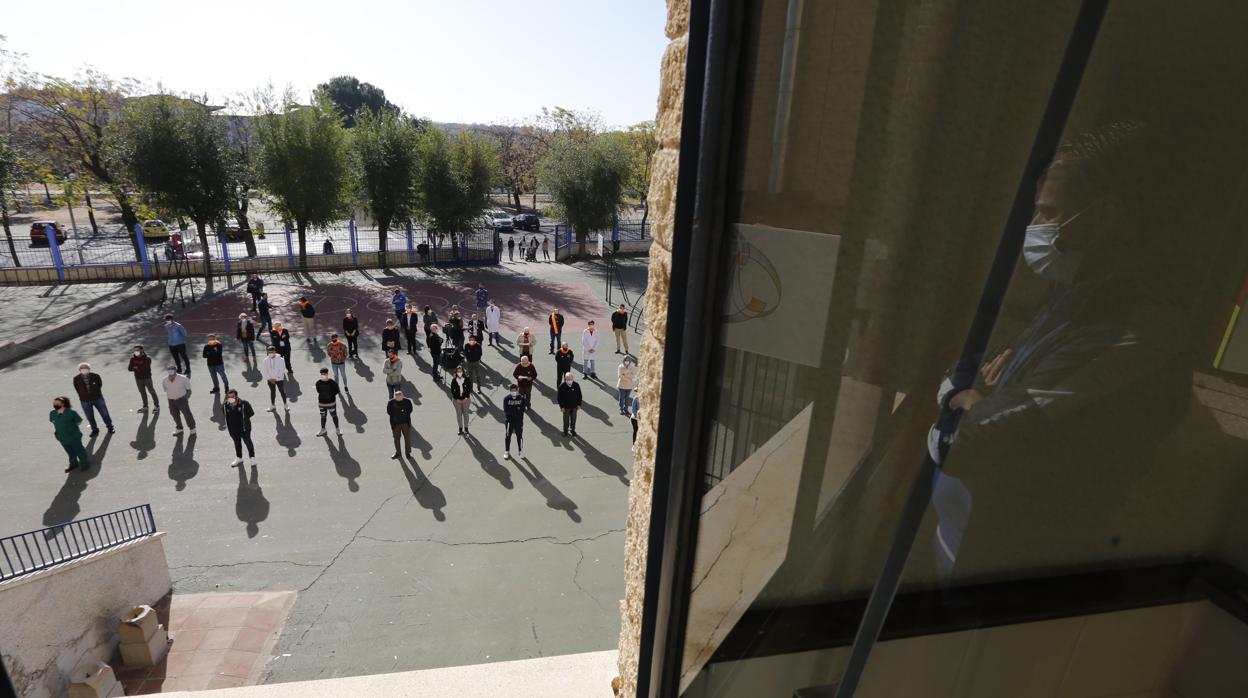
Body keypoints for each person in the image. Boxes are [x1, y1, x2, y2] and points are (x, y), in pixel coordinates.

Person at [72, 362, 114, 436]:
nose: (84, 369)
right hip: (85, 400)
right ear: (79, 370)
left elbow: (99, 385)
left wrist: (95, 392)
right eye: (82, 368)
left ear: (89, 369)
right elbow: (77, 389)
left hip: (98, 398)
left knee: (104, 413)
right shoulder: (76, 379)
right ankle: (94, 430)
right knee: (89, 416)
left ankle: (110, 427)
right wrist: (83, 395)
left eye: (85, 368)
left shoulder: (96, 376)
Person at [50, 396, 90, 472]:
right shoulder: (52, 413)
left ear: (63, 404)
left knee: (79, 450)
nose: (55, 404)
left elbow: (79, 422)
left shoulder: (71, 413)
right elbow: (53, 421)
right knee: (69, 451)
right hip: (62, 437)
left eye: (57, 403)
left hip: (73, 436)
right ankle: (74, 464)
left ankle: (85, 463)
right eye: (54, 403)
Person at [223, 389, 257, 467]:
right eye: (229, 397)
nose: (231, 398)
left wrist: (244, 420)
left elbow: (251, 413)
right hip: (233, 429)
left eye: (233, 396)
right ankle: (239, 457)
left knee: (248, 442)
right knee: (237, 443)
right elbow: (224, 414)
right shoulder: (226, 405)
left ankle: (252, 458)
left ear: (236, 396)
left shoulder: (244, 403)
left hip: (244, 428)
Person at [161, 365, 196, 435]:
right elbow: (165, 389)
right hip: (171, 400)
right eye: (169, 370)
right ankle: (179, 428)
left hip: (181, 399)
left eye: (172, 369)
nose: (170, 371)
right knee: (174, 414)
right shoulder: (164, 380)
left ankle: (192, 428)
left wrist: (186, 398)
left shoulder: (183, 378)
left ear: (175, 370)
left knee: (187, 414)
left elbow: (189, 389)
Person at [128, 345, 160, 413]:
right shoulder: (132, 359)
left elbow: (145, 369)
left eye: (137, 350)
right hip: (138, 379)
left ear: (142, 350)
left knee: (151, 391)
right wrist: (136, 368)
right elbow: (129, 368)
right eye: (134, 350)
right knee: (142, 393)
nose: (135, 352)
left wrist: (136, 368)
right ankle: (145, 406)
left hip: (147, 378)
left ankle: (156, 406)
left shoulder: (147, 358)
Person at [315, 367, 343, 437]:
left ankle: (337, 429)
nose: (323, 375)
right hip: (322, 404)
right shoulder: (318, 383)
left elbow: (337, 391)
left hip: (331, 403)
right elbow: (318, 391)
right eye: (322, 374)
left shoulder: (333, 383)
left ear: (327, 374)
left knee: (334, 416)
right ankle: (323, 429)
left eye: (324, 374)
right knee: (323, 417)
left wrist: (331, 395)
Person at [387, 389, 414, 459]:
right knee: (396, 439)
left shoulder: (407, 401)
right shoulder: (391, 402)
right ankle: (398, 453)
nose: (399, 399)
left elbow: (410, 410)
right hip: (395, 424)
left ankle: (408, 453)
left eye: (400, 398)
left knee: (407, 438)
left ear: (402, 396)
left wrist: (403, 414)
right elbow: (389, 412)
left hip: (405, 423)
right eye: (397, 398)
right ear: (395, 397)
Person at [261, 347, 289, 412]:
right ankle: (273, 405)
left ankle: (285, 405)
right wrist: (270, 379)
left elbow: (281, 370)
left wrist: (276, 379)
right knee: (272, 392)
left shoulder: (281, 359)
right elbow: (264, 371)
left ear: (275, 351)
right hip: (270, 379)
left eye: (272, 352)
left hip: (279, 379)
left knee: (282, 391)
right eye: (269, 352)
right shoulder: (266, 360)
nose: (271, 353)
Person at [502, 384, 526, 459]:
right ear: (510, 391)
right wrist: (517, 409)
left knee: (519, 436)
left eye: (515, 390)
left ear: (517, 390)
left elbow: (523, 409)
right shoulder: (506, 399)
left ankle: (520, 450)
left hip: (519, 421)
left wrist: (514, 409)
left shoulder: (521, 398)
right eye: (512, 391)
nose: (513, 392)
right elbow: (506, 410)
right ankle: (507, 451)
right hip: (509, 421)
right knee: (508, 436)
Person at [557, 372, 583, 437]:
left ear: (573, 378)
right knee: (566, 420)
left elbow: (579, 395)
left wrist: (579, 404)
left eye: (571, 379)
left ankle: (572, 430)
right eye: (568, 379)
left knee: (573, 419)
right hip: (566, 407)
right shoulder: (562, 386)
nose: (569, 380)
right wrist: (561, 407)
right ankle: (565, 431)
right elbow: (559, 398)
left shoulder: (576, 385)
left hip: (574, 407)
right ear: (565, 379)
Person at [450, 366, 473, 435]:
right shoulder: (454, 380)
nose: (459, 373)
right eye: (458, 371)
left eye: (461, 371)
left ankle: (466, 428)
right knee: (459, 414)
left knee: (466, 414)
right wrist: (457, 399)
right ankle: (460, 428)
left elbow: (469, 389)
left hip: (466, 400)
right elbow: (452, 390)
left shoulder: (467, 379)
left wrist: (465, 398)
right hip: (457, 400)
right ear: (456, 372)